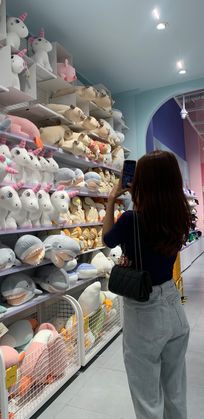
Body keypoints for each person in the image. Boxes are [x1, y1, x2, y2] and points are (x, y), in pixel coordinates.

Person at [102, 150, 191, 419]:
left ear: (141, 181)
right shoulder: (180, 215)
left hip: (144, 312)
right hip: (172, 304)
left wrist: (110, 200)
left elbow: (107, 239)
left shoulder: (131, 219)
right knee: (175, 391)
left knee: (147, 397)